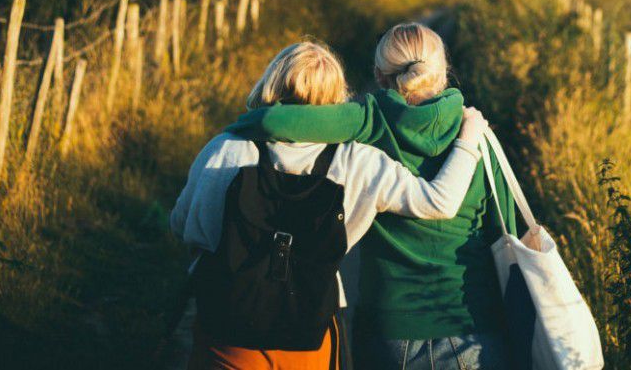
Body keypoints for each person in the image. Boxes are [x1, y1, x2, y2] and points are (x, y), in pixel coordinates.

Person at [170, 41, 491, 370]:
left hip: (227, 331)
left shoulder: (226, 149)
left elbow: (182, 224)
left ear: (271, 82)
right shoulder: (358, 160)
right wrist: (468, 139)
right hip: (309, 332)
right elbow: (439, 201)